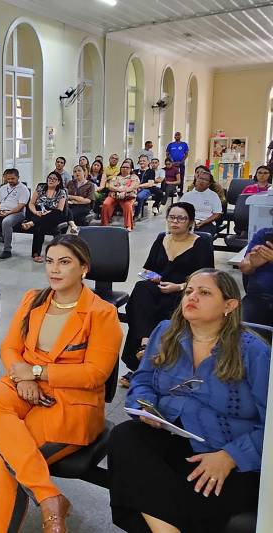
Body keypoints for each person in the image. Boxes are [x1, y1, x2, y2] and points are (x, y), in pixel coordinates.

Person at [0, 235, 122, 533]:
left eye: (64, 262)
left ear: (84, 268)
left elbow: (94, 374)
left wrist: (36, 372)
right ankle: (50, 496)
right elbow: (10, 348)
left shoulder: (102, 313)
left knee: (7, 464)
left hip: (69, 401)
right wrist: (22, 375)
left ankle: (7, 525)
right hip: (24, 386)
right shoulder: (34, 299)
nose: (54, 269)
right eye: (50, 261)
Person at [108, 269, 269, 533]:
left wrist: (230, 457)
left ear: (229, 305)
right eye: (189, 291)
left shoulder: (255, 353)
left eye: (204, 292)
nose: (191, 297)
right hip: (173, 434)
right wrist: (145, 407)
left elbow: (271, 426)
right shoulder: (166, 332)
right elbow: (143, 380)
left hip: (225, 452)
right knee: (124, 436)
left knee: (149, 491)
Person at [119, 202, 215, 387]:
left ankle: (154, 365)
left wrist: (178, 287)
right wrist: (154, 277)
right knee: (141, 289)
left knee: (159, 308)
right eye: (172, 217)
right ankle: (144, 347)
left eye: (181, 218)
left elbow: (207, 278)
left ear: (191, 222)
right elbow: (146, 269)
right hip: (159, 288)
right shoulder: (162, 238)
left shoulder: (200, 243)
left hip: (185, 292)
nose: (175, 222)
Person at [21, 171, 68, 262]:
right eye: (50, 178)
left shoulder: (61, 192)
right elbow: (31, 203)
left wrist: (47, 213)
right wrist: (35, 211)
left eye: (54, 179)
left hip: (53, 214)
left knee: (52, 215)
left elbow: (60, 209)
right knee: (40, 225)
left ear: (58, 182)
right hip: (38, 212)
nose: (51, 180)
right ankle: (36, 254)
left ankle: (31, 223)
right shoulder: (40, 188)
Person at [239, 227, 273, 332]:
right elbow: (244, 267)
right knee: (239, 330)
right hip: (257, 297)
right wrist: (252, 264)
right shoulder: (264, 235)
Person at [0, 168, 31, 259]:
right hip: (2, 211)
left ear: (18, 177)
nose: (10, 181)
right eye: (8, 179)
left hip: (17, 213)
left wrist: (8, 213)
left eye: (12, 179)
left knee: (6, 222)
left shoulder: (23, 189)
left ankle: (7, 250)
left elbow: (20, 206)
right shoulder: (3, 188)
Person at [101, 161, 139, 231]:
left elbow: (133, 186)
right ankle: (104, 224)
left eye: (127, 167)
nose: (124, 169)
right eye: (123, 167)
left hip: (127, 197)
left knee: (128, 205)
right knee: (106, 204)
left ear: (130, 169)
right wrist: (119, 190)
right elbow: (110, 186)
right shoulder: (116, 177)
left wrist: (124, 191)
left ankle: (128, 226)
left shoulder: (133, 177)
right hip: (114, 196)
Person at [66, 164, 95, 231]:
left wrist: (72, 197)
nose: (77, 173)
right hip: (70, 205)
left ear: (84, 172)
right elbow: (65, 195)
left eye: (79, 171)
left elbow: (88, 200)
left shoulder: (90, 184)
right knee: (62, 214)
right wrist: (80, 199)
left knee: (69, 214)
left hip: (84, 206)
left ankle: (74, 229)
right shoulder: (70, 183)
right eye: (75, 171)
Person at [166, 131, 189, 196]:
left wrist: (182, 161)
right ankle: (172, 191)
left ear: (181, 136)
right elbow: (167, 154)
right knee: (172, 177)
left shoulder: (184, 144)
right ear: (174, 136)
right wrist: (171, 161)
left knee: (181, 177)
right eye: (176, 135)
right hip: (172, 164)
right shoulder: (171, 145)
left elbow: (186, 154)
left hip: (181, 163)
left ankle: (180, 191)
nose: (177, 136)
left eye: (178, 135)